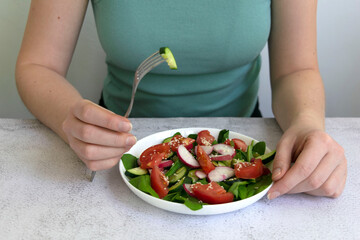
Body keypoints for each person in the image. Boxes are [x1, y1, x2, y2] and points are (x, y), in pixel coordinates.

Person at [15, 0, 346, 200]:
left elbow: (297, 69)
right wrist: (69, 119)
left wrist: (306, 125)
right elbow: (38, 66)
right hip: (115, 151)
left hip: (242, 150)